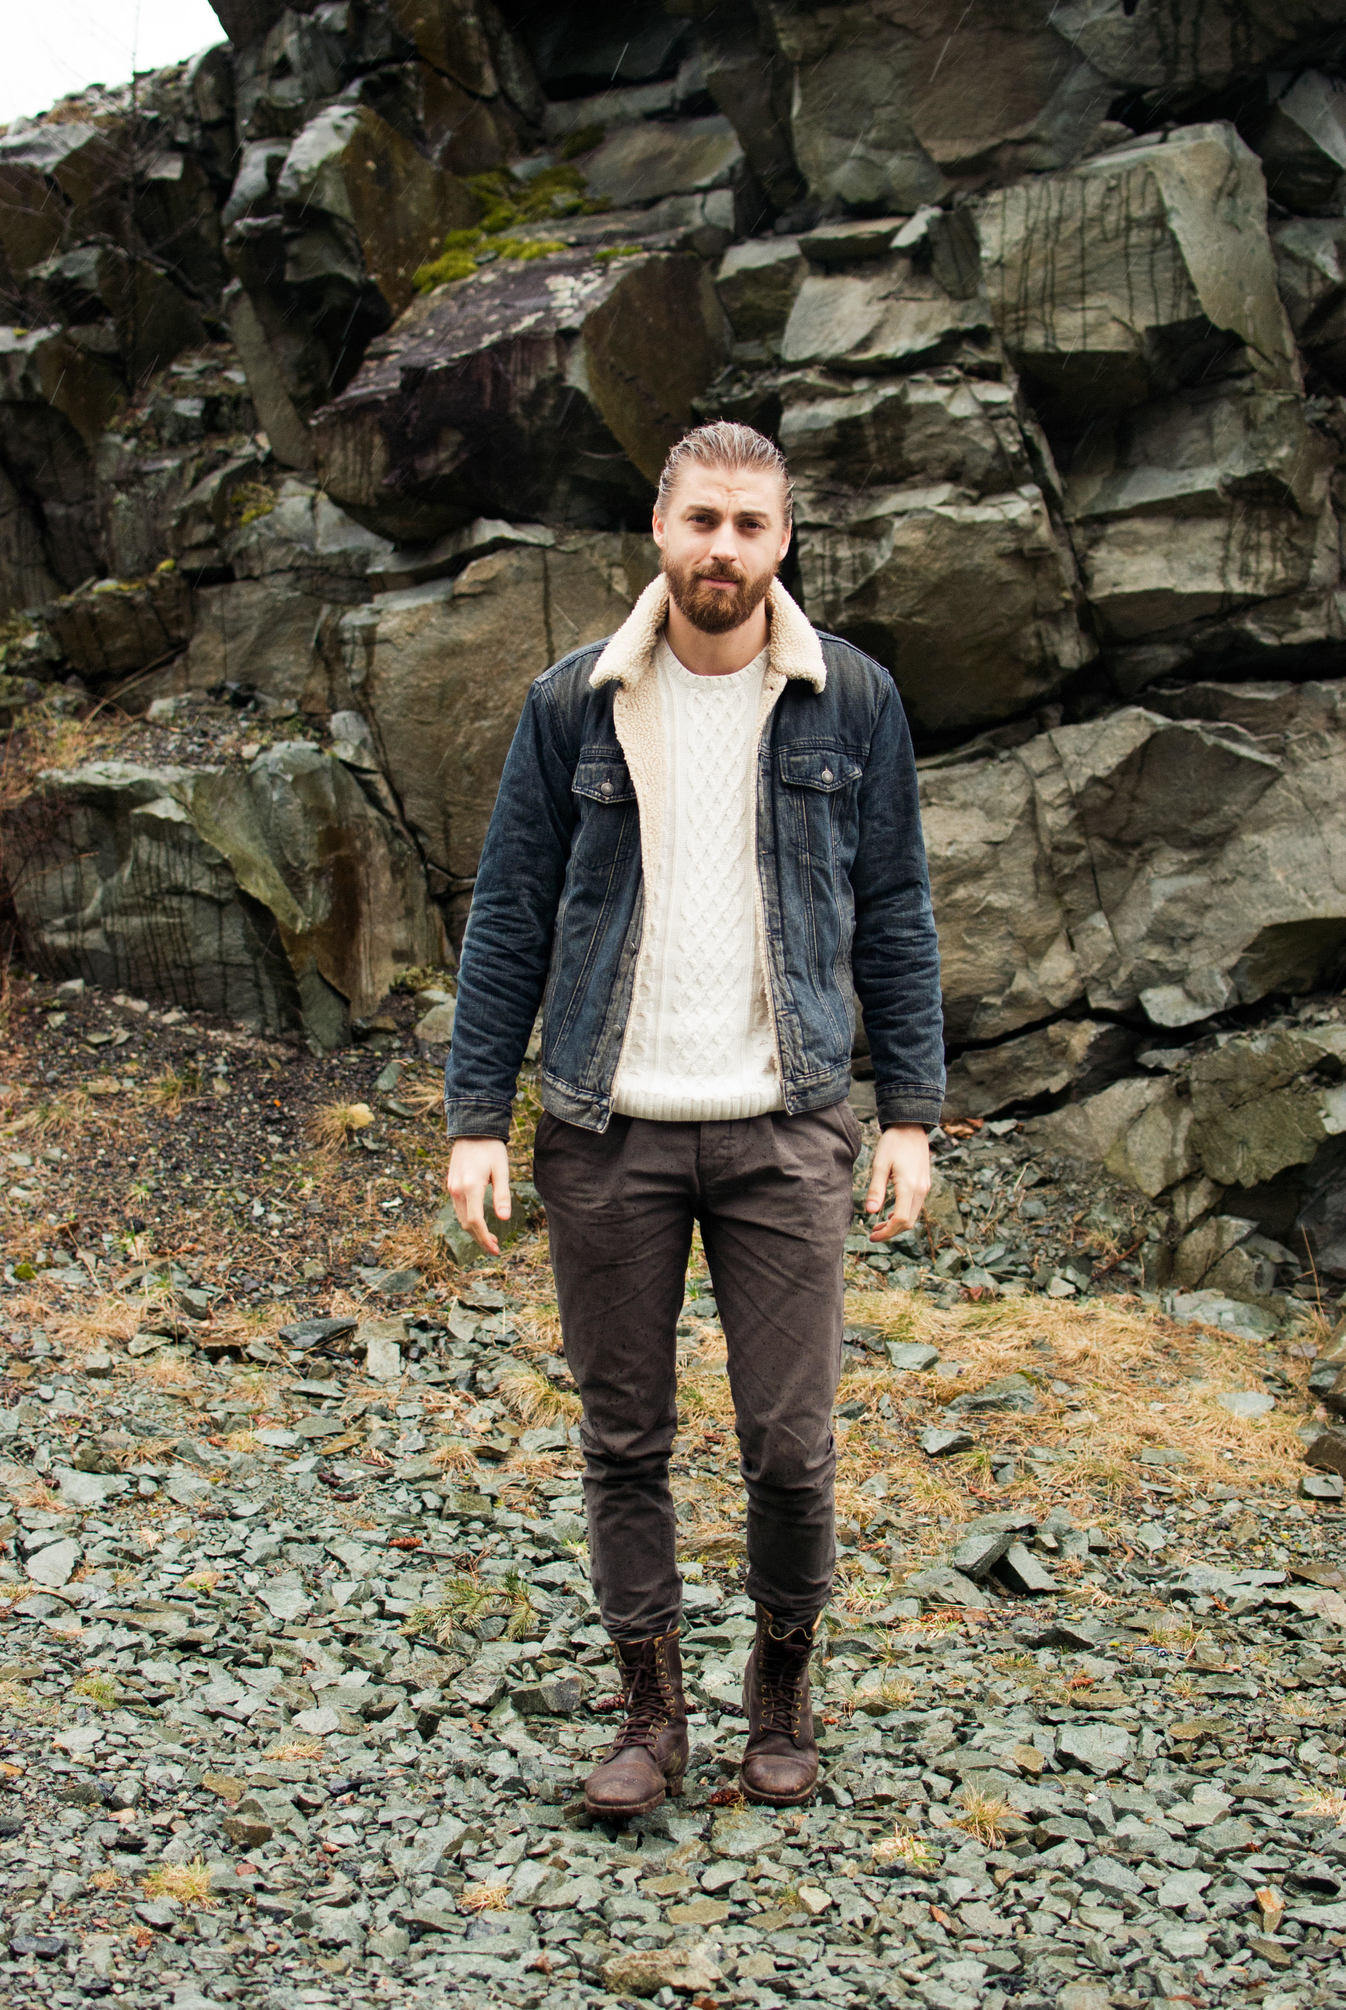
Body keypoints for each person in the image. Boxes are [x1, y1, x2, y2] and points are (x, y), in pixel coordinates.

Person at [443, 420, 944, 1819]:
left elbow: (896, 910)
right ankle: (649, 1715)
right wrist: (475, 1114)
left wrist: (909, 1111)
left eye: (749, 525)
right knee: (625, 1437)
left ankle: (779, 1692)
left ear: (783, 543)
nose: (723, 547)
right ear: (655, 532)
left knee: (790, 1441)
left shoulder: (853, 699)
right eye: (700, 520)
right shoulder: (570, 704)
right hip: (611, 1127)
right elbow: (508, 915)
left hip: (787, 1123)